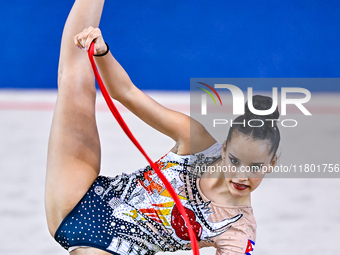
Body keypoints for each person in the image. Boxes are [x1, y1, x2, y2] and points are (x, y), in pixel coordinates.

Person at [45, 0, 280, 254]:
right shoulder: (196, 140)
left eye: (255, 166)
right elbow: (126, 93)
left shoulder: (239, 229)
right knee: (74, 80)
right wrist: (102, 52)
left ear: (272, 164)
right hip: (84, 198)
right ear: (224, 148)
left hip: (118, 250)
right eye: (235, 160)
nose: (242, 175)